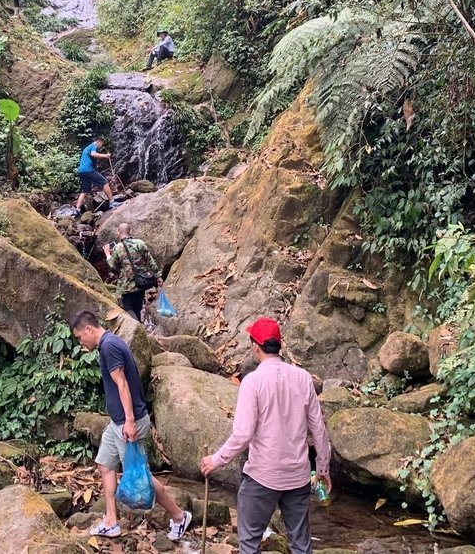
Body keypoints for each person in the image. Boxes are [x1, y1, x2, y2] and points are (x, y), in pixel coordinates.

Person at [200, 317, 332, 554]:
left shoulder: (252, 382)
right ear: (279, 345)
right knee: (301, 544)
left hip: (263, 477)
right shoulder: (303, 378)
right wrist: (322, 469)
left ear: (255, 346)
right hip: (298, 476)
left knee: (249, 543)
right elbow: (318, 429)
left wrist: (216, 460)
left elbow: (243, 434)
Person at [70, 310, 192, 542]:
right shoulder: (110, 343)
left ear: (88, 329)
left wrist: (129, 421)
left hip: (129, 422)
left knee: (140, 476)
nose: (80, 342)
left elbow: (122, 384)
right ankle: (111, 522)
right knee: (105, 465)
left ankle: (179, 516)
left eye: (79, 337)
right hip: (116, 423)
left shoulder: (109, 347)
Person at [104, 223, 160, 322]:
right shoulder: (140, 243)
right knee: (137, 309)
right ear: (131, 232)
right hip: (142, 282)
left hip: (127, 286)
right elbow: (150, 261)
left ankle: (138, 329)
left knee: (127, 308)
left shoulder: (118, 247)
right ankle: (141, 330)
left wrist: (108, 254)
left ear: (118, 233)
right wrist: (158, 276)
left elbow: (113, 266)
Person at [75, 136, 115, 213]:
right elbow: (94, 154)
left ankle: (77, 209)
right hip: (88, 170)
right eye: (101, 144)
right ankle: (112, 202)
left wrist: (103, 157)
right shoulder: (93, 146)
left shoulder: (87, 148)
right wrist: (105, 155)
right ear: (98, 141)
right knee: (105, 183)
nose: (101, 147)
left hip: (82, 171)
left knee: (85, 191)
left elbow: (94, 156)